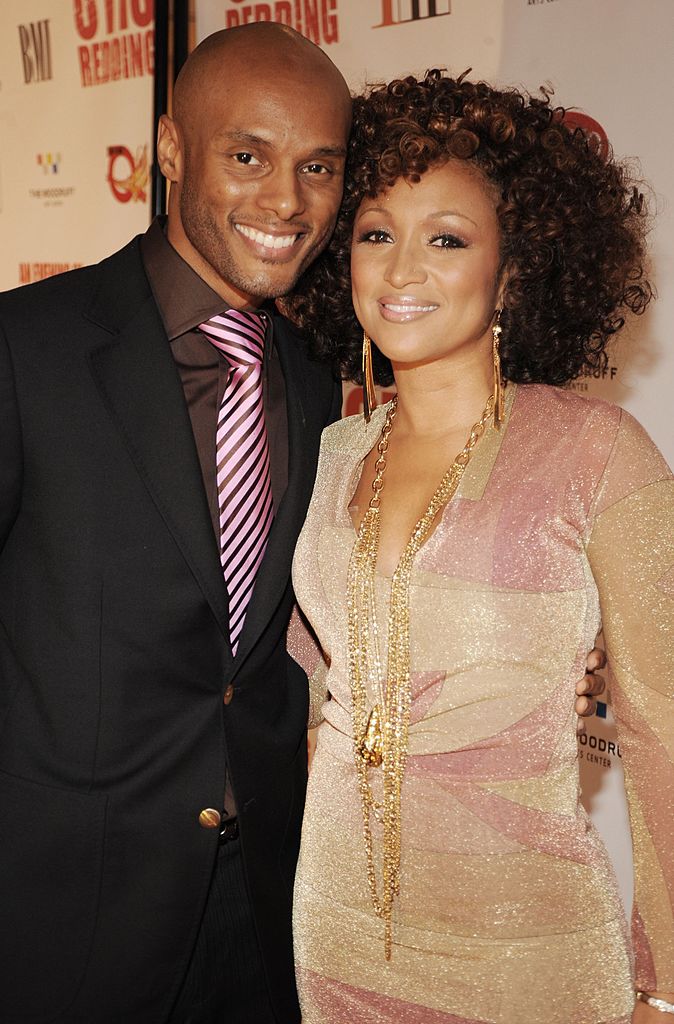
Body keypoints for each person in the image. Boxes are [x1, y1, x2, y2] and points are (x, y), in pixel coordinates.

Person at [0, 27, 602, 1024]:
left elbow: (313, 622)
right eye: (248, 157)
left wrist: (553, 645)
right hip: (56, 922)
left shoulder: (323, 379)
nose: (284, 200)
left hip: (270, 918)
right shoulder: (28, 351)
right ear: (169, 149)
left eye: (317, 168)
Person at [288, 70, 674, 1023]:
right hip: (332, 939)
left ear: (512, 272)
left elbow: (665, 734)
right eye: (376, 233)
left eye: (447, 240)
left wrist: (663, 990)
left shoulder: (597, 452)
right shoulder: (335, 452)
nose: (402, 271)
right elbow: (298, 697)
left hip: (528, 955)